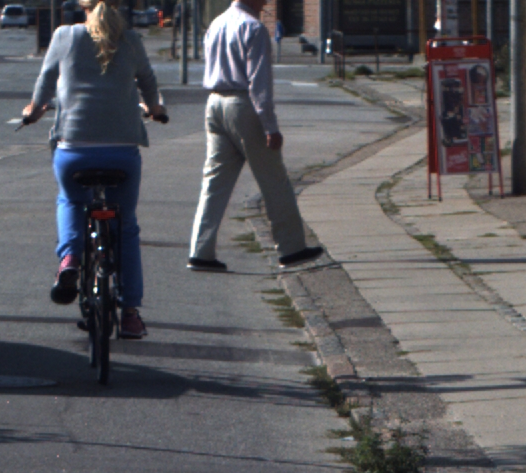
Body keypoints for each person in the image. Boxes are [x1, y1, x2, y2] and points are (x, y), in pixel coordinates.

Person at [22, 0, 166, 339]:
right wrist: (155, 109)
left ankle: (70, 259)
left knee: (71, 200)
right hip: (122, 153)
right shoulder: (131, 39)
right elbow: (148, 82)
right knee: (125, 226)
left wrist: (33, 110)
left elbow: (45, 83)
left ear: (81, 5)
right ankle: (130, 314)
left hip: (75, 151)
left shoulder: (65, 36)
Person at [186, 0, 322, 273]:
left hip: (214, 102)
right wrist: (270, 126)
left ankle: (200, 251)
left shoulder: (217, 23)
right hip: (243, 104)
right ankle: (291, 248)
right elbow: (259, 83)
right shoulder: (254, 28)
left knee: (214, 182)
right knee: (274, 180)